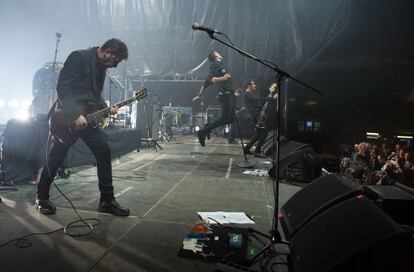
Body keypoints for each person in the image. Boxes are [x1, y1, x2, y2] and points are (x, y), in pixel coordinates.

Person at [36, 38, 130, 216]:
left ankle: (107, 201)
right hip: (65, 119)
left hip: (87, 119)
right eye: (115, 61)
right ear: (106, 52)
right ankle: (41, 197)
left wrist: (105, 109)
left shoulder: (101, 67)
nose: (115, 66)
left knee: (103, 151)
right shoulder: (79, 57)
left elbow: (93, 95)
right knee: (56, 157)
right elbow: (63, 87)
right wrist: (74, 115)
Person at [193, 50, 236, 146]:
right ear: (216, 55)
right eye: (218, 52)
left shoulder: (218, 65)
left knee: (230, 119)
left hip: (227, 94)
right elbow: (212, 79)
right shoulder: (216, 65)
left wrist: (199, 94)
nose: (220, 53)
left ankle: (208, 128)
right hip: (224, 94)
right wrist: (224, 78)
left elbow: (206, 82)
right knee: (225, 119)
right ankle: (203, 132)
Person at [243, 81, 277, 157]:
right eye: (253, 84)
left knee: (259, 134)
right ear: (248, 86)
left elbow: (258, 101)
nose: (255, 85)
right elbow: (258, 99)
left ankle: (247, 149)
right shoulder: (248, 93)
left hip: (256, 115)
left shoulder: (249, 93)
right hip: (255, 116)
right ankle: (257, 151)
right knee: (264, 133)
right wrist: (272, 98)